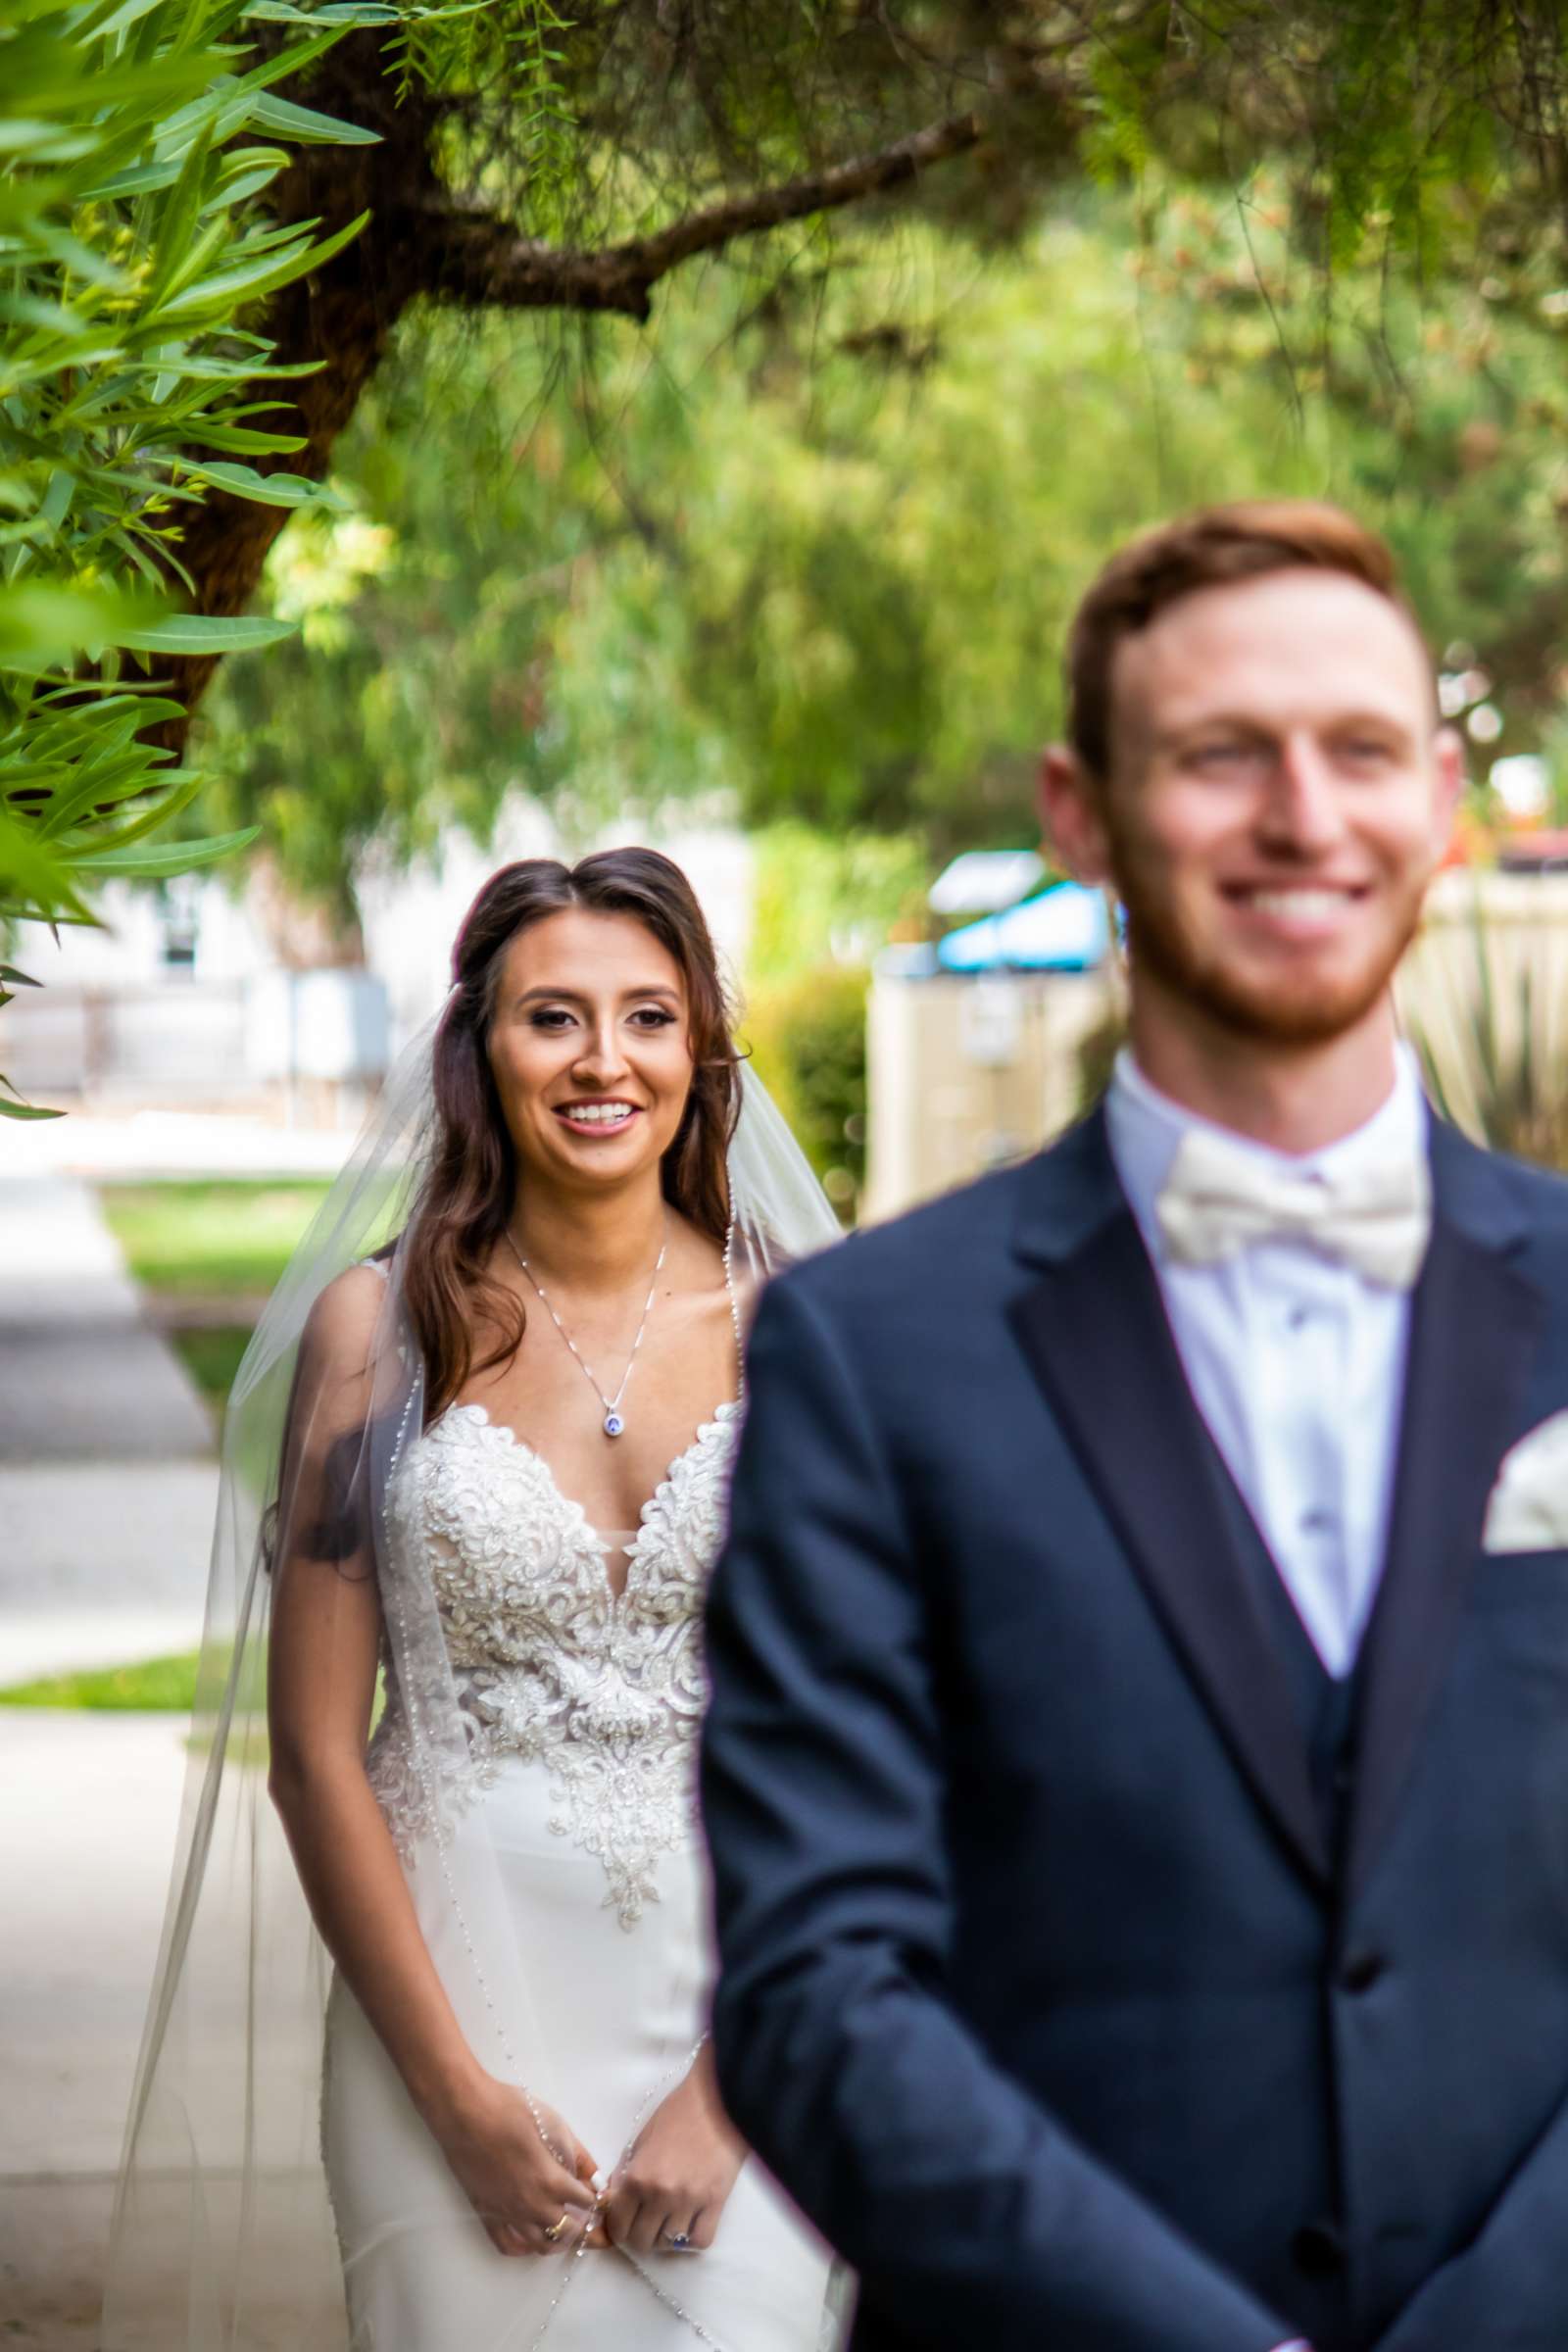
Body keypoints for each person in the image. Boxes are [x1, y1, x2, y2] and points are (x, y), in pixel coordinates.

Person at [700, 502, 1568, 2352]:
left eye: (1357, 753)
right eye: (1219, 755)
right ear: (1079, 808)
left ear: (1436, 797)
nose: (1302, 816)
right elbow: (815, 1993)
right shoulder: (866, 1355)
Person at [103, 850, 844, 2352]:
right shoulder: (376, 1336)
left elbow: (867, 1748)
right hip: (448, 2015)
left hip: (745, 2024)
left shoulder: (808, 1334)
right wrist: (456, 2096)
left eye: (646, 1016)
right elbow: (315, 1755)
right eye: (551, 1018)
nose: (602, 1061)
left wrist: (736, 2089)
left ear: (702, 1048)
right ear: (479, 1051)